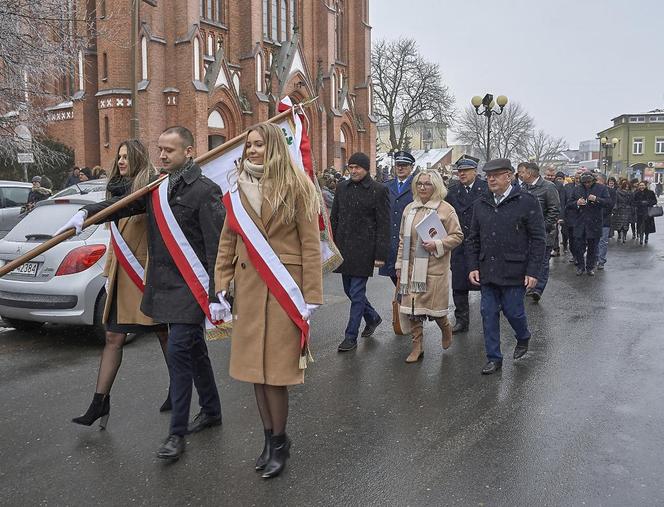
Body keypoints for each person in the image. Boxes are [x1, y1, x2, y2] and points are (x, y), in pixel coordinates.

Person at [56, 126, 224, 460]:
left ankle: (176, 434)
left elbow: (217, 247)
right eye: (159, 149)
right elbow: (124, 205)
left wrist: (219, 293)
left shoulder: (205, 192)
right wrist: (87, 214)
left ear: (189, 152)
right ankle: (212, 409)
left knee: (178, 354)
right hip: (163, 287)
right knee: (195, 352)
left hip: (192, 289)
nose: (162, 155)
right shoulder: (157, 188)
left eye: (169, 151)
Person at [214, 123, 322, 479]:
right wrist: (221, 283)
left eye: (258, 144)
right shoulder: (236, 189)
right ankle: (268, 439)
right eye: (249, 145)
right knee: (254, 374)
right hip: (248, 289)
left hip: (283, 291)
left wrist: (312, 297)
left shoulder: (298, 187)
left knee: (275, 375)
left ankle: (279, 441)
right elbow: (227, 241)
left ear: (274, 146)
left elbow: (310, 245)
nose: (252, 151)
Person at [71, 139, 171, 428]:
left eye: (127, 156)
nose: (121, 161)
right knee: (113, 338)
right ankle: (99, 402)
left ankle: (179, 391)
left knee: (164, 335)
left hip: (144, 275)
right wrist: (107, 275)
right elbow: (115, 241)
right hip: (121, 276)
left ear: (138, 159)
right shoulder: (115, 191)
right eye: (119, 156)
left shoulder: (150, 190)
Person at [465, 158, 546, 375]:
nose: (491, 179)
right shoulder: (481, 203)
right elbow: (473, 238)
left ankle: (523, 336)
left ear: (509, 176)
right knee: (487, 312)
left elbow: (539, 239)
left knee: (514, 312)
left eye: (496, 175)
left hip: (514, 270)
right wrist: (473, 266)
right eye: (488, 175)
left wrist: (533, 271)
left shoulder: (526, 201)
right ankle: (494, 357)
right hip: (488, 269)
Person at [395, 169, 463, 362]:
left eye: (427, 184)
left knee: (435, 310)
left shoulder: (445, 209)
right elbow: (402, 239)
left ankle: (446, 327)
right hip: (410, 270)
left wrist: (438, 244)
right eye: (419, 183)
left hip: (434, 268)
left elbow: (457, 236)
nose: (423, 187)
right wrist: (399, 263)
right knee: (413, 310)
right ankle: (417, 347)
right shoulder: (410, 208)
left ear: (436, 186)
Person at [331, 152, 390, 352]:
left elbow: (384, 224)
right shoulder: (341, 188)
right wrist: (331, 246)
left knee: (356, 293)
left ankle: (350, 336)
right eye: (351, 167)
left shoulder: (378, 190)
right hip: (344, 248)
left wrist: (381, 254)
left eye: (358, 167)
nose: (354, 171)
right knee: (349, 290)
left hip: (365, 249)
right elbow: (334, 219)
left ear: (366, 169)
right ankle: (372, 317)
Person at [445, 156, 488, 333]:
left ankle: (489, 316)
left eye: (465, 171)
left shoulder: (485, 189)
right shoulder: (453, 190)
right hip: (460, 243)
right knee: (459, 283)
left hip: (482, 242)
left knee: (486, 281)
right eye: (459, 171)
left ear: (475, 172)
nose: (461, 174)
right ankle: (462, 319)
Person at [517, 162, 560, 301]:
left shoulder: (548, 187)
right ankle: (528, 285)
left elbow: (554, 210)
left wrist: (543, 228)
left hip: (545, 233)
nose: (520, 175)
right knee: (527, 260)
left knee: (542, 261)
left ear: (529, 173)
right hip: (525, 234)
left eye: (521, 172)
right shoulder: (522, 187)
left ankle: (538, 289)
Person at [380, 150, 416, 285]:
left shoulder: (418, 186)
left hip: (409, 238)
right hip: (391, 240)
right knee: (396, 278)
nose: (400, 168)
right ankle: (401, 304)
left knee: (409, 280)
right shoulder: (386, 187)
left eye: (404, 165)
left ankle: (404, 305)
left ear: (412, 167)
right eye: (398, 165)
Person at [566, 172, 612, 275]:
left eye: (589, 182)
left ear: (593, 180)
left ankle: (590, 267)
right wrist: (576, 203)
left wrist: (597, 199)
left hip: (594, 222)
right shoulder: (577, 189)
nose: (587, 184)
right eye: (585, 182)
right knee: (578, 246)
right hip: (580, 222)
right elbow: (568, 204)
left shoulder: (601, 188)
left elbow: (608, 202)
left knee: (593, 247)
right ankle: (580, 267)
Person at [596, 174, 617, 269]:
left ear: (603, 181)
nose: (596, 182)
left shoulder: (611, 191)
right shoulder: (592, 190)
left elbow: (610, 205)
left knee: (602, 241)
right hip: (594, 220)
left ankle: (601, 260)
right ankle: (595, 258)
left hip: (604, 220)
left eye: (598, 180)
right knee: (594, 241)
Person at [633, 181, 657, 245]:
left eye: (643, 185)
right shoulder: (636, 193)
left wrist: (648, 202)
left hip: (648, 212)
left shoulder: (650, 192)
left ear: (645, 186)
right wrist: (640, 203)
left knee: (647, 226)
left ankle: (646, 237)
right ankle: (641, 238)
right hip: (640, 212)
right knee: (640, 226)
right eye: (640, 185)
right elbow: (633, 202)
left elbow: (655, 201)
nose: (641, 187)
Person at [613, 179, 633, 244]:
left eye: (628, 186)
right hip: (620, 209)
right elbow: (616, 201)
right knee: (619, 224)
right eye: (625, 186)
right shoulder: (618, 192)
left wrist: (632, 208)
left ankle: (624, 236)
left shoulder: (630, 193)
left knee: (626, 224)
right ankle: (619, 234)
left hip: (627, 210)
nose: (626, 188)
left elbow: (632, 202)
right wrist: (615, 208)